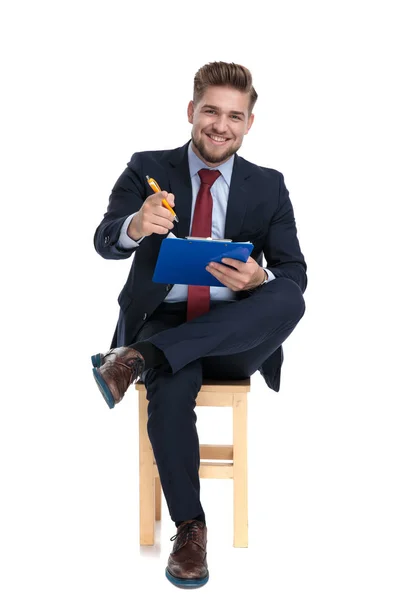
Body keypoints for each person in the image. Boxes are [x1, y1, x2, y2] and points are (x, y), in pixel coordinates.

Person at [91, 61, 307, 589]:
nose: (221, 125)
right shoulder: (148, 167)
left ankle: (140, 358)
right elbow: (104, 240)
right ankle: (191, 530)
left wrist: (259, 277)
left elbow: (295, 272)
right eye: (211, 110)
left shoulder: (269, 186)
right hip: (163, 321)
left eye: (235, 115)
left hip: (235, 333)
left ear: (249, 123)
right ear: (192, 112)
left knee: (288, 297)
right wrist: (136, 225)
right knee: (168, 389)